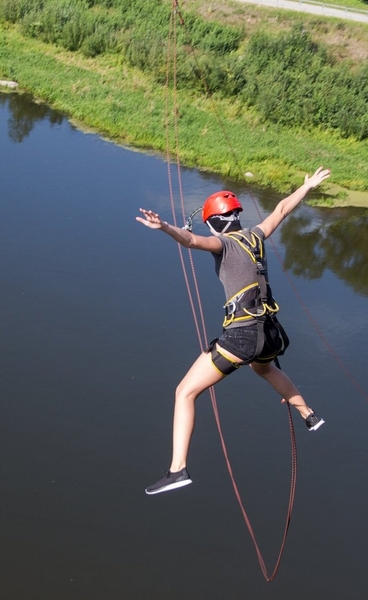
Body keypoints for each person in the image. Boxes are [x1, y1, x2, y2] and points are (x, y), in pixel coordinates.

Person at [137, 167, 331, 495]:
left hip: (241, 336)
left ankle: (177, 469)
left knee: (184, 392)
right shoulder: (256, 235)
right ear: (238, 217)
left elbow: (189, 240)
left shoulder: (221, 244)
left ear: (214, 222)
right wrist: (307, 186)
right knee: (265, 367)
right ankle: (309, 414)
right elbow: (282, 209)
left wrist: (165, 227)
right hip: (270, 333)